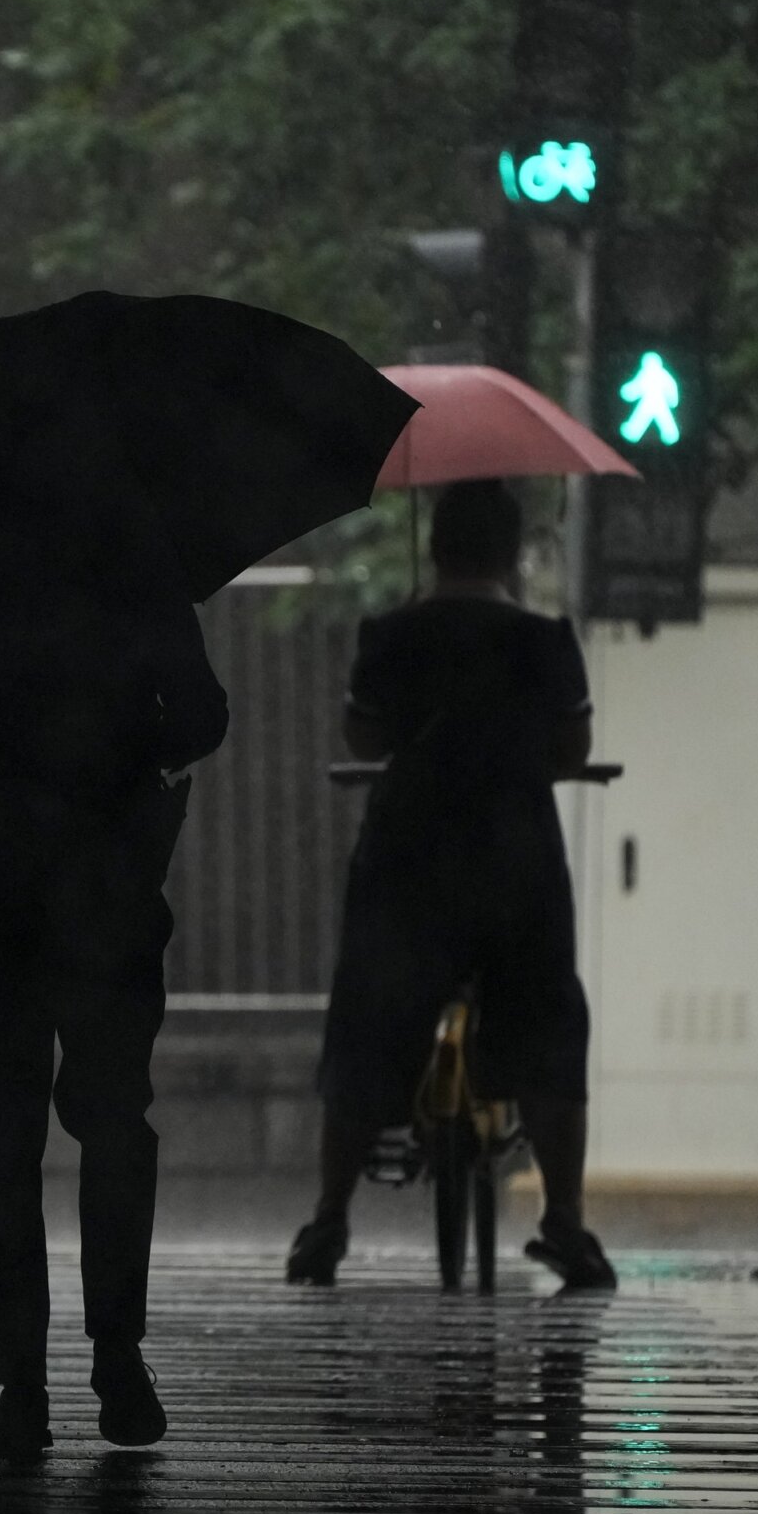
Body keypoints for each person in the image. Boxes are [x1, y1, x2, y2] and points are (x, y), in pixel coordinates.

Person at [0, 476, 226, 1461]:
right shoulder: (136, 566)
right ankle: (117, 1353)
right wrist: (116, 745)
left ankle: (21, 1383)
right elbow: (202, 715)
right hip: (106, 876)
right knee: (113, 1116)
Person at [286, 479, 614, 1291]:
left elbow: (363, 733)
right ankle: (566, 1225)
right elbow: (572, 751)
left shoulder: (391, 635)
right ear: (509, 553)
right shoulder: (544, 641)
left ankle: (328, 1222)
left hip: (410, 860)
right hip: (515, 861)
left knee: (366, 1020)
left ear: (435, 549)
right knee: (547, 1020)